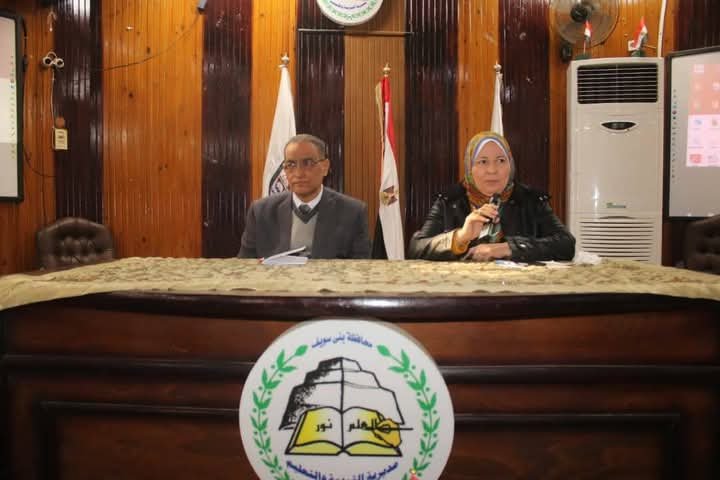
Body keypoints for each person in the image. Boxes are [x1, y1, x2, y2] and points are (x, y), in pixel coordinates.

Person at [408, 131, 575, 262]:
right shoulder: (449, 200)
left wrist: (508, 248)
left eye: (501, 160)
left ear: (511, 165)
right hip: (463, 290)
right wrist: (460, 237)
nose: (492, 170)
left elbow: (566, 244)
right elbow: (416, 249)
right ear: (470, 167)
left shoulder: (530, 200)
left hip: (518, 289)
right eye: (483, 161)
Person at [238, 134, 370, 259]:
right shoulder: (261, 212)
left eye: (308, 163)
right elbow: (245, 265)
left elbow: (361, 267)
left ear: (325, 167)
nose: (299, 173)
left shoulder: (352, 212)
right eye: (291, 165)